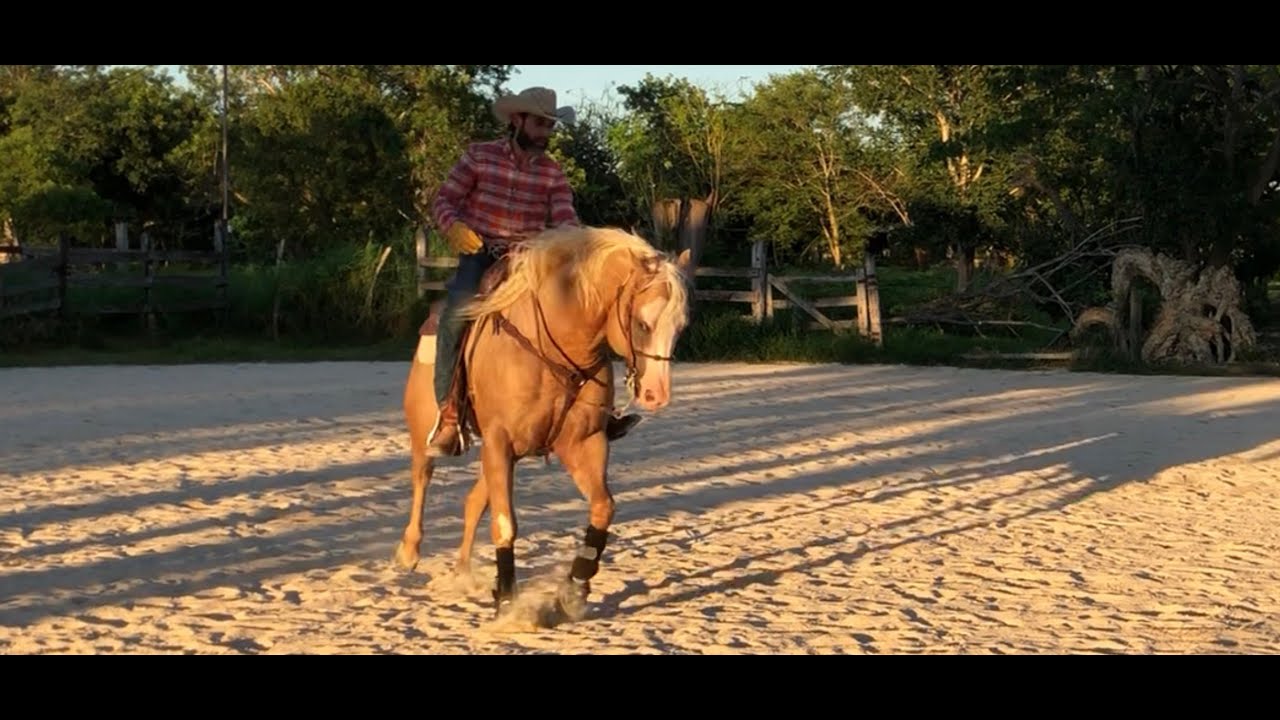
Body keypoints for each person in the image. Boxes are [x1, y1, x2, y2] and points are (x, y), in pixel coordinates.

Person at [424, 86, 642, 457]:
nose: (545, 132)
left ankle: (600, 412)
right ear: (517, 120)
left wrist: (576, 243)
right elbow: (445, 199)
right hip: (480, 253)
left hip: (533, 258)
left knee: (585, 315)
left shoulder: (552, 172)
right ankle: (450, 417)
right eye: (540, 124)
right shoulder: (479, 157)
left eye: (550, 126)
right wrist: (453, 227)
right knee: (455, 317)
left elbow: (564, 218)